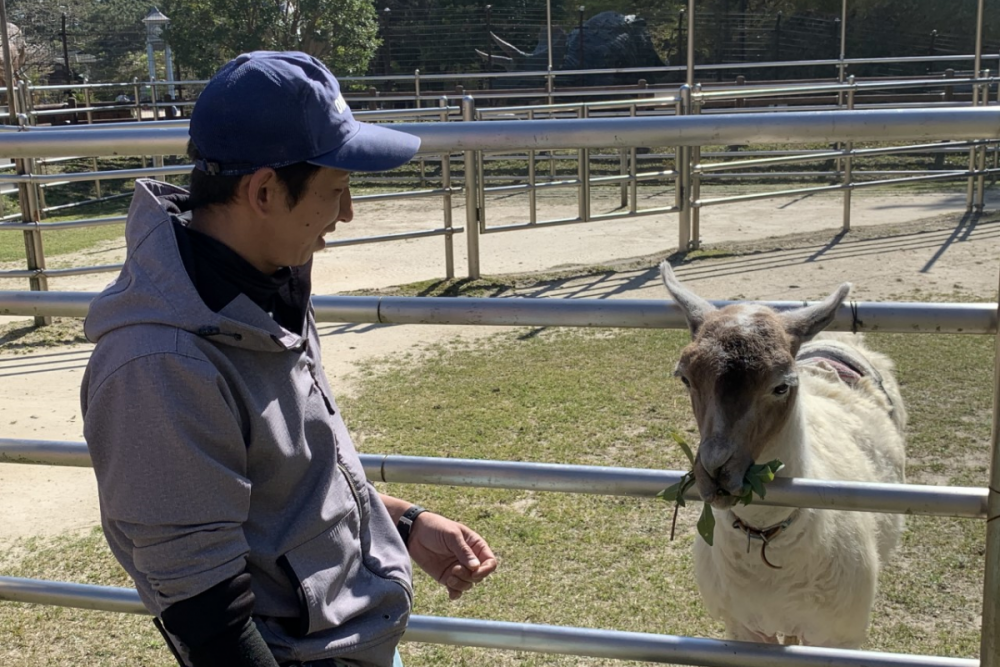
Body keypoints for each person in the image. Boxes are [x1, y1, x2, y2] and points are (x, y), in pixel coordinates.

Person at [80, 51, 498, 667]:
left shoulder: (261, 288)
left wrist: (404, 525)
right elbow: (205, 610)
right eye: (336, 189)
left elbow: (283, 486)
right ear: (265, 190)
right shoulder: (160, 366)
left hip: (350, 631)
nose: (347, 213)